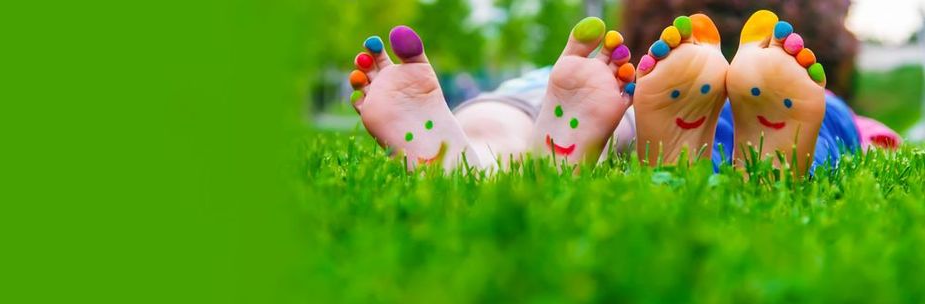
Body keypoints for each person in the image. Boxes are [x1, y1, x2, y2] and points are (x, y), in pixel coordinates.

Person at [348, 8, 901, 177]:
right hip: (788, 102)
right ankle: (767, 167)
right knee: (836, 128)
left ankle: (479, 156)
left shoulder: (614, 78)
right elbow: (884, 143)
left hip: (627, 100)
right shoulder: (802, 80)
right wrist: (879, 139)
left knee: (520, 104)